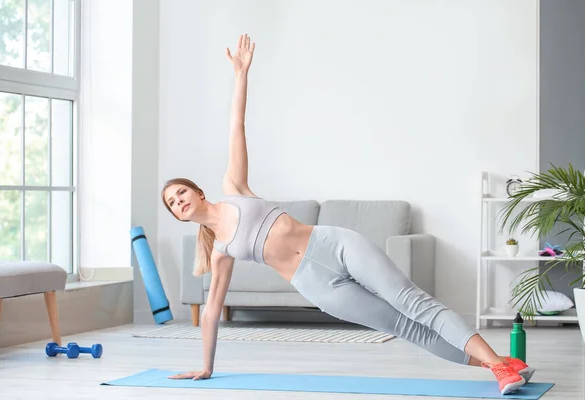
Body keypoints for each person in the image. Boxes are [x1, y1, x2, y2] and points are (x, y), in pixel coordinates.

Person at [161, 34, 535, 395]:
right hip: (317, 286)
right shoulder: (220, 250)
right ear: (178, 217)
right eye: (173, 203)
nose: (180, 201)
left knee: (412, 302)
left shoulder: (234, 188)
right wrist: (207, 366)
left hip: (333, 245)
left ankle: (501, 368)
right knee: (407, 329)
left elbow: (236, 128)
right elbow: (210, 313)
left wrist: (241, 74)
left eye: (181, 192)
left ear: (198, 191)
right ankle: (500, 365)